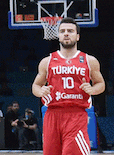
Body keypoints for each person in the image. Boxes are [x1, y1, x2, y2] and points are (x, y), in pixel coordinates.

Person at [31, 17, 105, 155]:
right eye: (62, 31)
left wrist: (93, 89)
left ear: (77, 36)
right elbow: (35, 86)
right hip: (52, 114)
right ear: (58, 35)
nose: (66, 33)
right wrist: (41, 91)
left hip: (76, 114)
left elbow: (101, 84)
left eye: (70, 31)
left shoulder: (89, 60)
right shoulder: (47, 61)